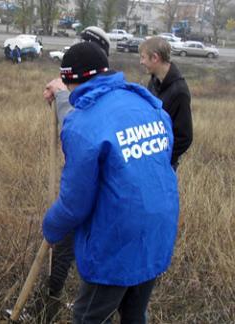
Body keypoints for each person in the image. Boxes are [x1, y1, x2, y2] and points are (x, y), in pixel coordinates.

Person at [42, 42, 179, 323]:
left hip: (118, 237)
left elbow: (74, 204)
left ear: (70, 81)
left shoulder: (81, 125)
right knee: (134, 312)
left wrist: (51, 228)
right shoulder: (149, 105)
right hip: (158, 227)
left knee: (88, 316)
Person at [37, 25, 111, 323]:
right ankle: (52, 295)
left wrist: (63, 96)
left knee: (70, 240)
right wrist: (59, 92)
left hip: (95, 191)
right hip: (86, 181)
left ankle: (65, 299)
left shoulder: (102, 97)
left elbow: (81, 125)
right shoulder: (101, 85)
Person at [139, 36, 193, 170]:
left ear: (155, 58)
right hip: (148, 156)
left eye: (143, 57)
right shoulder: (154, 81)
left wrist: (163, 158)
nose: (141, 62)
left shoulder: (179, 92)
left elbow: (185, 138)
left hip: (163, 163)